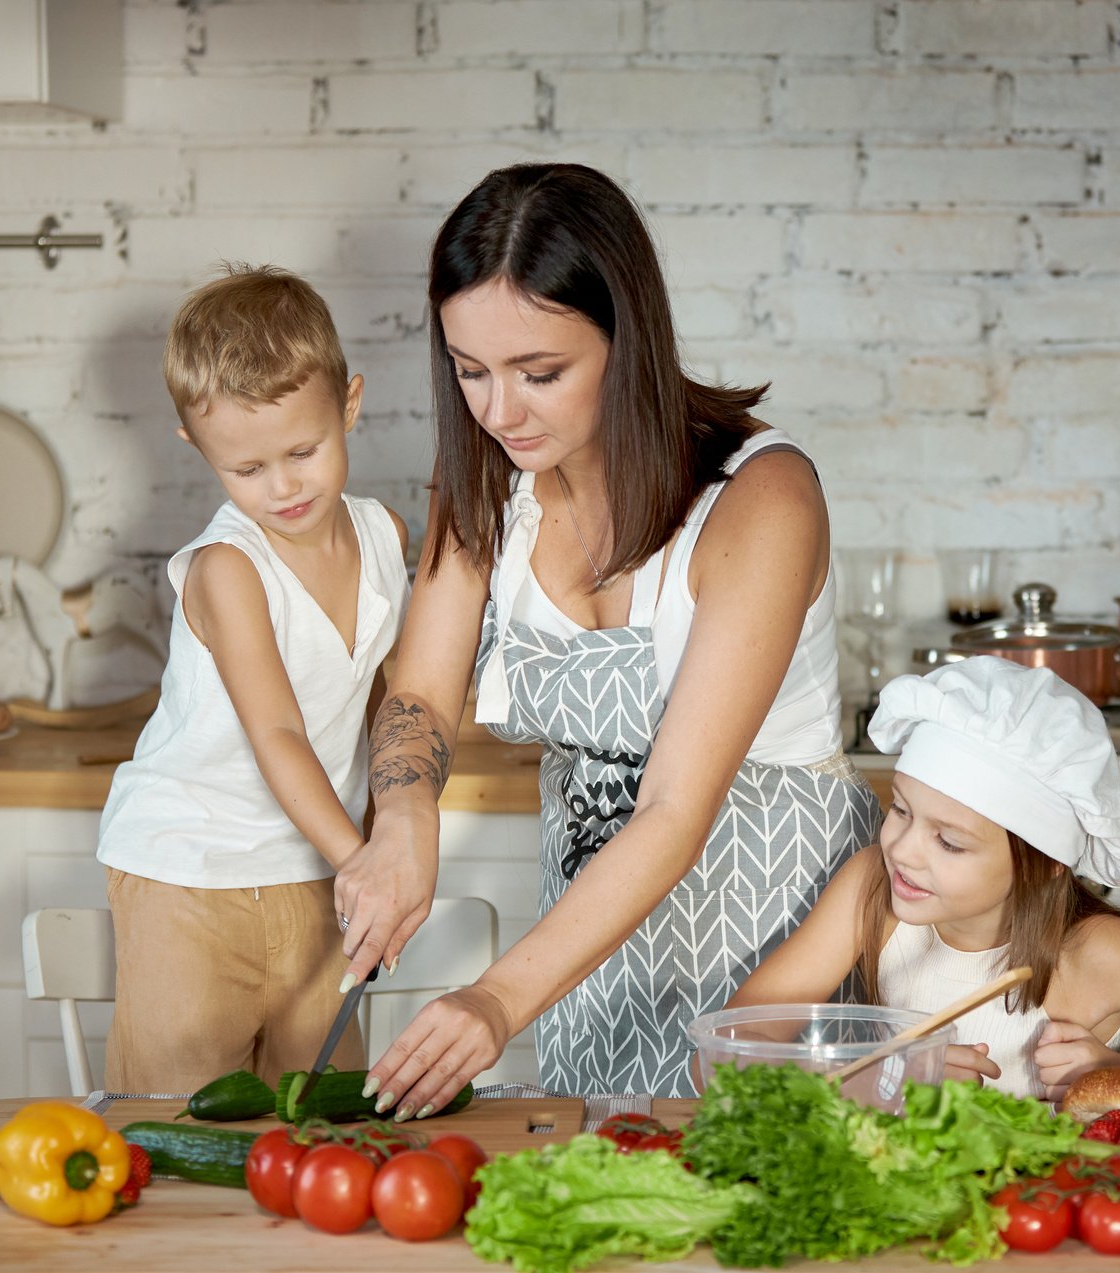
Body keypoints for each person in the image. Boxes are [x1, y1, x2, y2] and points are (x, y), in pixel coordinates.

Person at [338, 161, 881, 1119]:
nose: (498, 412)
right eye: (470, 371)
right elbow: (420, 690)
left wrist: (496, 997)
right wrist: (405, 817)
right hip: (586, 960)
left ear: (626, 339)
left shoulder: (760, 499)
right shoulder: (482, 481)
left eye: (539, 373)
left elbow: (673, 808)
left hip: (771, 954)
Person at [726, 655, 1120, 1102]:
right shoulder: (872, 891)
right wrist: (871, 1078)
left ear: (1042, 861)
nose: (902, 850)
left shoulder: (1096, 954)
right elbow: (730, 1045)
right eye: (901, 810)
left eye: (950, 841)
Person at [96, 263, 410, 1098]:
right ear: (197, 448)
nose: (282, 487)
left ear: (348, 402)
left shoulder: (384, 536)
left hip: (318, 873)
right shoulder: (230, 568)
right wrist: (366, 860)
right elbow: (277, 732)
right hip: (189, 875)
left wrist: (380, 839)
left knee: (321, 1117)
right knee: (181, 1122)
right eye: (245, 469)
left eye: (303, 451)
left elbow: (384, 698)